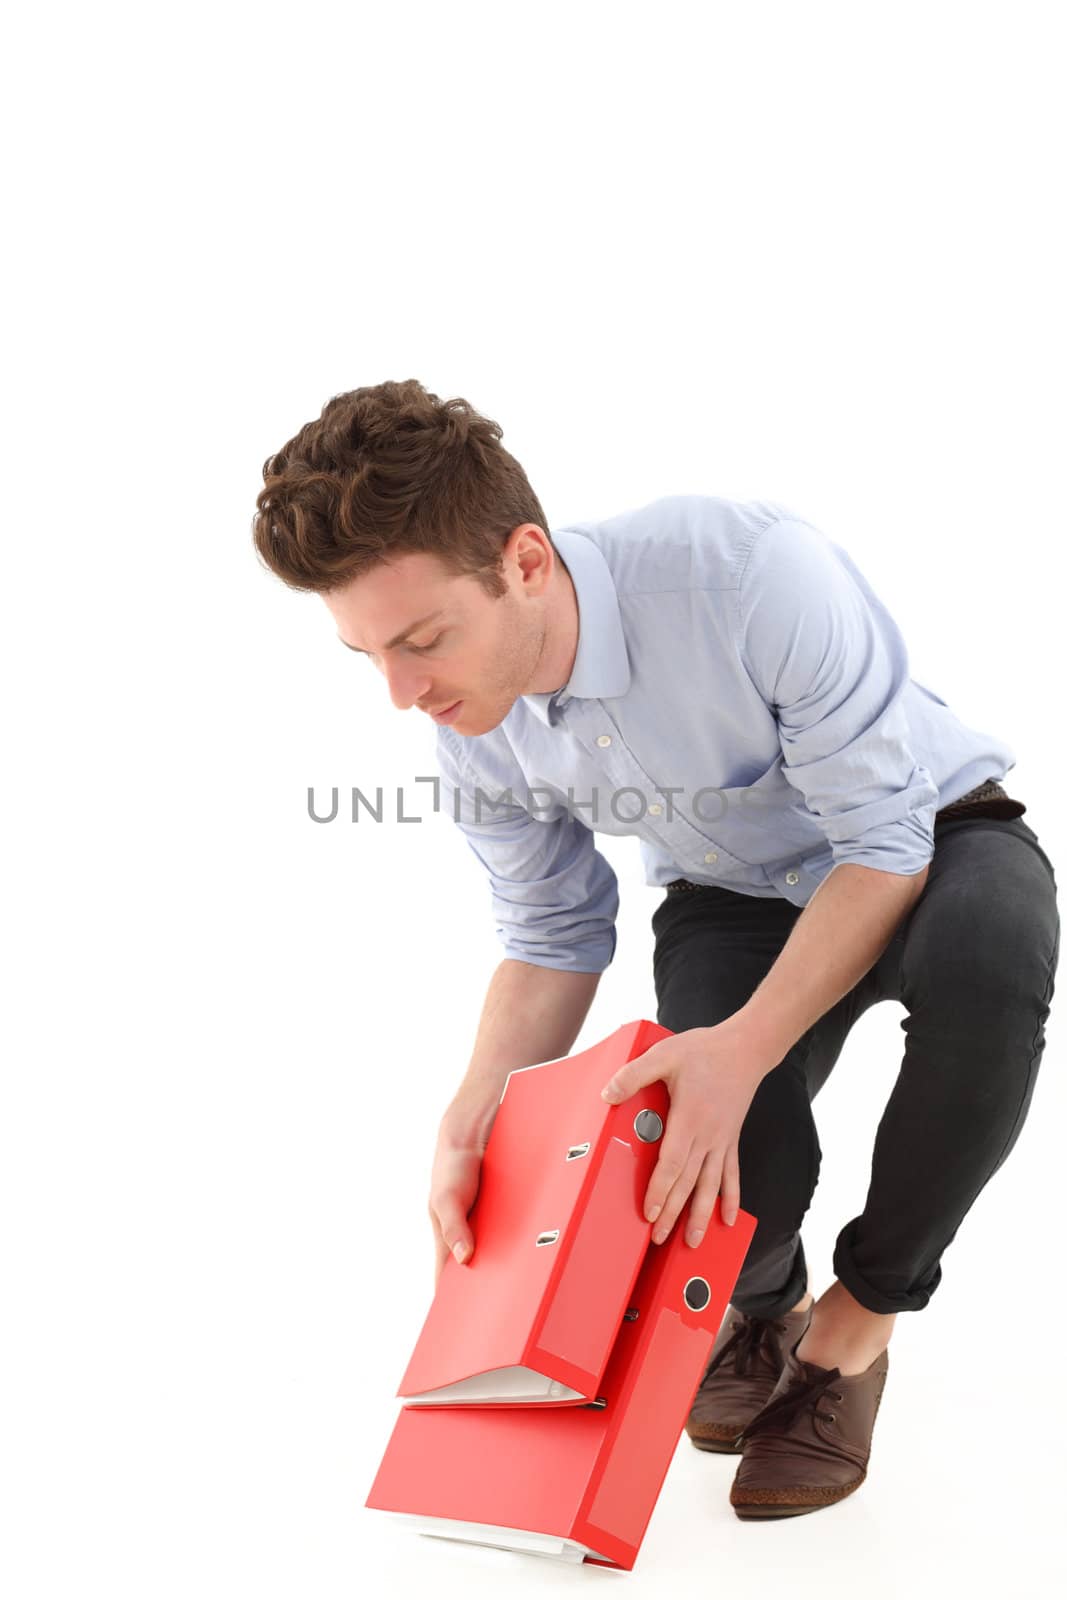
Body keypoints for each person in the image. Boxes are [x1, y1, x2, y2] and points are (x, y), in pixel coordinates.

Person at [252, 379, 1059, 1520]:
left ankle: (850, 1330)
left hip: (927, 835)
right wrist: (473, 1111)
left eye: (423, 639)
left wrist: (740, 1048)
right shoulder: (472, 731)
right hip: (731, 893)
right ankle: (762, 1299)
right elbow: (551, 935)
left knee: (988, 959)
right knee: (715, 1156)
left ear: (525, 562)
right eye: (368, 655)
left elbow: (879, 846)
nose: (402, 694)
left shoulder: (746, 575)